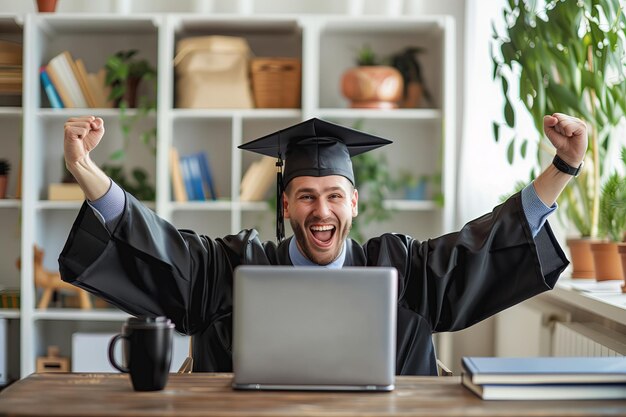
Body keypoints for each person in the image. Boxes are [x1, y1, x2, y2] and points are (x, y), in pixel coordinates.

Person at [59, 114, 587, 375]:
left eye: (334, 196)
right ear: (285, 206)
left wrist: (562, 169)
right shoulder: (236, 267)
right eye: (306, 196)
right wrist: (85, 170)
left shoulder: (400, 270)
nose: (321, 210)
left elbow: (482, 245)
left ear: (353, 204)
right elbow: (163, 249)